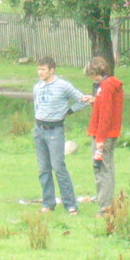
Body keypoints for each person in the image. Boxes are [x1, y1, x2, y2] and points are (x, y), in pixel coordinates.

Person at [33, 56, 90, 215]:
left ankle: (70, 205)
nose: (40, 72)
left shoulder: (63, 86)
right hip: (39, 130)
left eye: (43, 69)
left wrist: (69, 111)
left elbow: (83, 100)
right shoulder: (37, 87)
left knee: (58, 167)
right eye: (39, 69)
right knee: (43, 169)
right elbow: (37, 106)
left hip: (55, 131)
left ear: (52, 70)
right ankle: (48, 203)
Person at [83, 56, 124, 216]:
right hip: (109, 133)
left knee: (101, 170)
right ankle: (109, 204)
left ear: (94, 72)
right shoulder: (110, 85)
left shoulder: (106, 86)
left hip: (104, 135)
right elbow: (106, 105)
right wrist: (94, 101)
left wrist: (100, 141)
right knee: (107, 169)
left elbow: (106, 115)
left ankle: (105, 208)